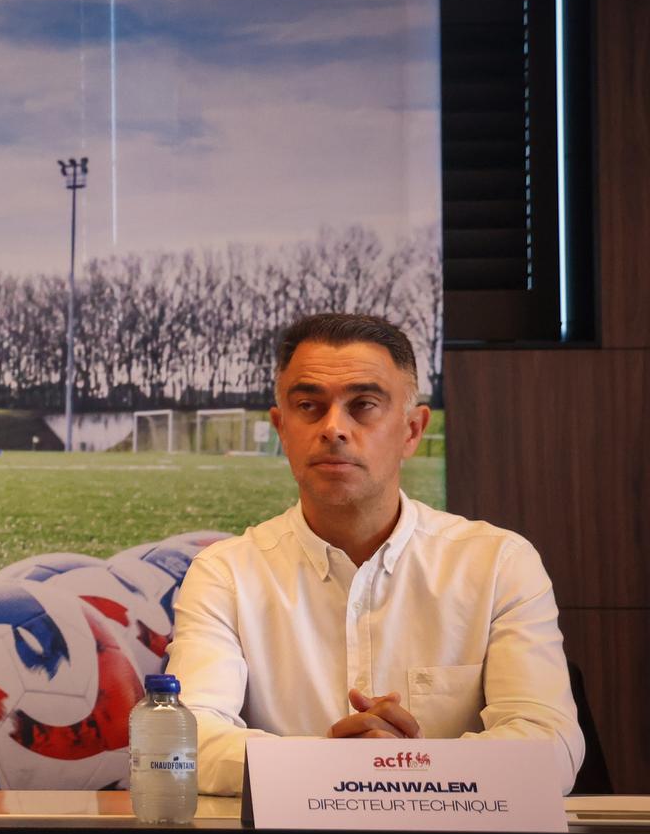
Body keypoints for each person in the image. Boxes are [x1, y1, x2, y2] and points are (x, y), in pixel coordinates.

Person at [166, 312, 583, 796]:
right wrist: (334, 763)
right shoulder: (226, 573)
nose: (333, 428)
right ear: (281, 428)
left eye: (363, 405)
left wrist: (396, 766)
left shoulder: (498, 564)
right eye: (308, 406)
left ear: (412, 430)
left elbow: (550, 745)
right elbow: (183, 739)